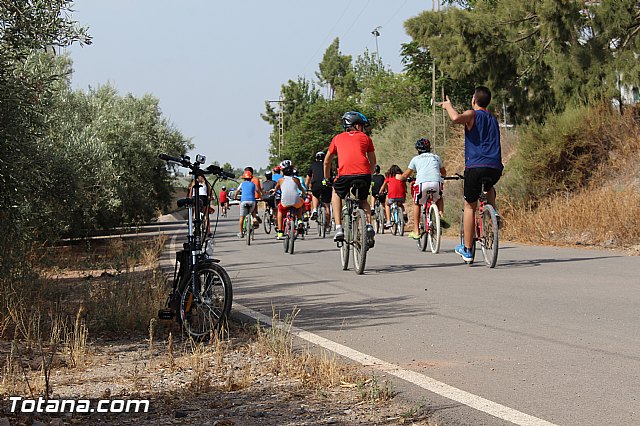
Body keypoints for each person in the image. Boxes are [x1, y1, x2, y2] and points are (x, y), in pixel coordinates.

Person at [437, 86, 503, 262]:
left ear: (474, 100)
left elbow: (456, 118)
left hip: (476, 166)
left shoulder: (473, 114)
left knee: (469, 206)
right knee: (489, 186)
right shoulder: (493, 119)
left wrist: (448, 106)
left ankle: (467, 249)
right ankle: (493, 212)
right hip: (495, 167)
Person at [323, 111, 376, 246]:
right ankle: (369, 225)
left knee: (335, 192)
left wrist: (327, 177)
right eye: (362, 126)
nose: (363, 128)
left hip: (345, 175)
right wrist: (369, 174)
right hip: (364, 174)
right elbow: (373, 162)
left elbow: (326, 161)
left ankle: (339, 228)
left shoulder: (337, 138)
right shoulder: (366, 138)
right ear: (356, 126)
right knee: (363, 200)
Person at [396, 138, 448, 240]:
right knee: (439, 198)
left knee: (417, 203)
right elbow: (443, 172)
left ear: (418, 150)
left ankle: (416, 230)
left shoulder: (415, 159)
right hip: (436, 183)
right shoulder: (436, 157)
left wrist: (399, 177)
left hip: (422, 184)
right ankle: (440, 216)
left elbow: (405, 175)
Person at [272, 160, 307, 240]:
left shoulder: (280, 180)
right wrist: (305, 193)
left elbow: (276, 189)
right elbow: (301, 189)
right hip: (295, 201)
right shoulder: (296, 180)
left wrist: (273, 192)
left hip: (285, 202)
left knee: (280, 211)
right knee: (300, 204)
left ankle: (280, 231)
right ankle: (299, 220)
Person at [306, 151, 332, 228]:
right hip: (325, 185)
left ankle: (314, 209)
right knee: (327, 204)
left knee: (315, 195)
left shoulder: (313, 165)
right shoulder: (327, 165)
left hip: (316, 184)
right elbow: (330, 176)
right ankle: (327, 224)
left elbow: (308, 179)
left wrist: (306, 188)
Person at [378, 165, 407, 229]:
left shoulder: (389, 177)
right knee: (400, 204)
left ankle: (388, 221)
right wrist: (405, 191)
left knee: (387, 205)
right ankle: (404, 213)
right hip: (401, 196)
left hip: (392, 196)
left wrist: (380, 192)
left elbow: (383, 185)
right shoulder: (401, 176)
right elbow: (405, 186)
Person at [235, 171, 258, 238]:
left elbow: (237, 191)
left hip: (244, 201)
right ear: (251, 178)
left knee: (242, 217)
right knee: (252, 210)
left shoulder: (242, 184)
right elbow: (258, 191)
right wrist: (261, 197)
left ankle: (241, 233)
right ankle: (254, 219)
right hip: (252, 201)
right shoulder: (253, 184)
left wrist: (235, 197)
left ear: (244, 178)